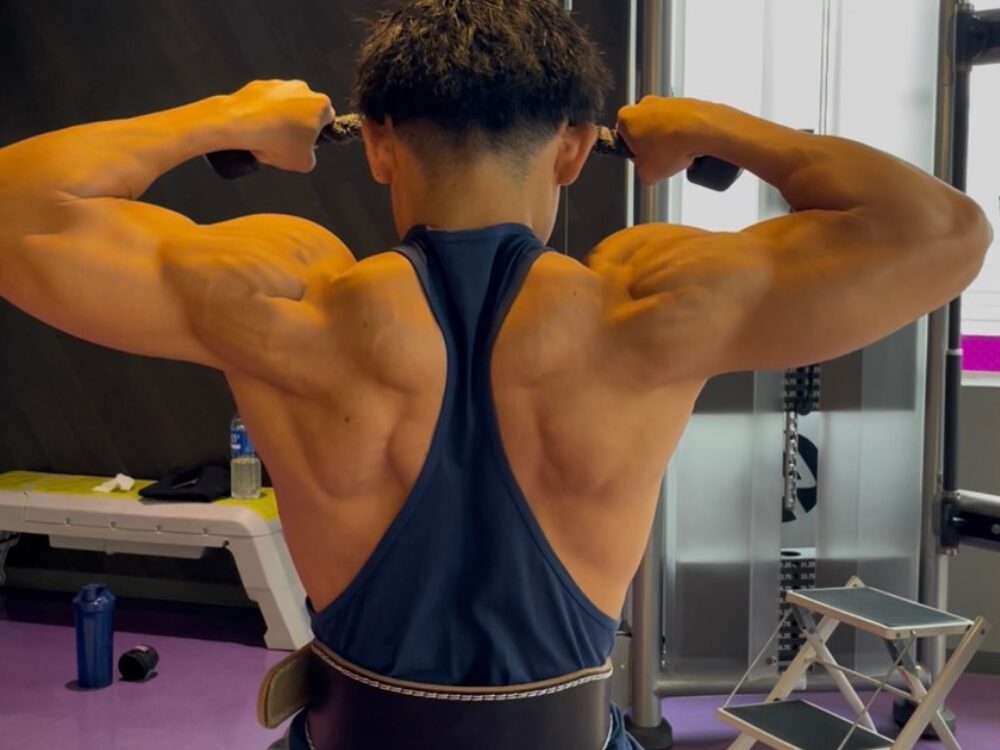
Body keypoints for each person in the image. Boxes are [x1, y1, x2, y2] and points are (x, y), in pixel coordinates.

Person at [0, 1, 991, 748]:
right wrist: (720, 129)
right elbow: (944, 232)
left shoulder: (286, 296)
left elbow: (18, 211)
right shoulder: (650, 305)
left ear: (377, 142)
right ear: (573, 149)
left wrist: (222, 119)